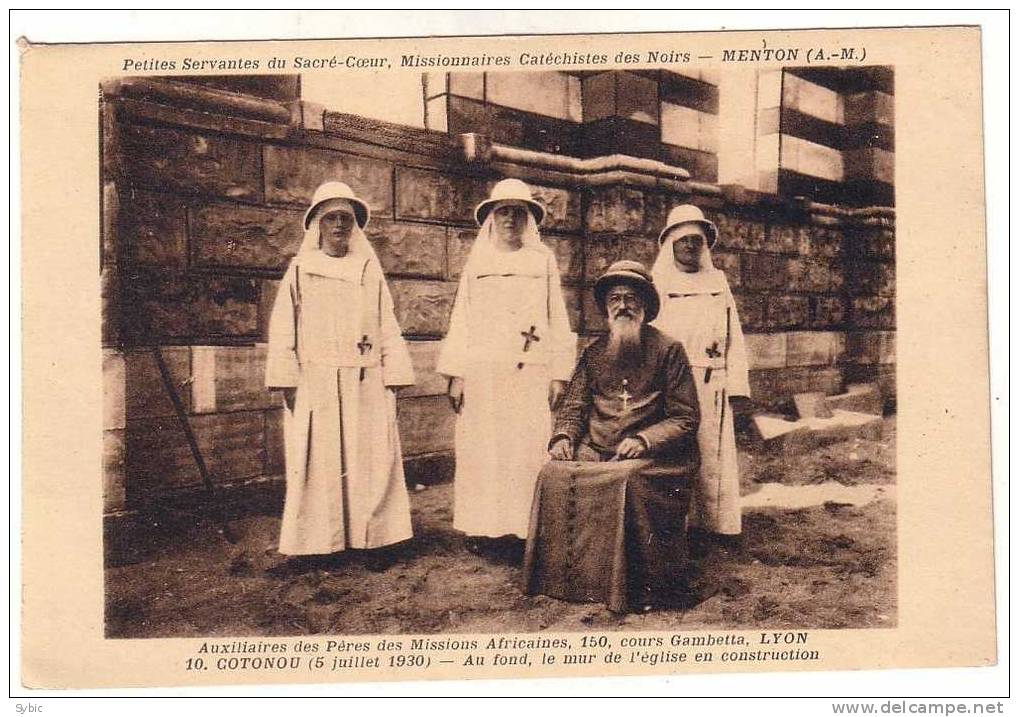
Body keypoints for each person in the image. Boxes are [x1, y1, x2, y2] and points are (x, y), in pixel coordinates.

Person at [523, 260, 701, 613]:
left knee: (626, 478)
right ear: (606, 307)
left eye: (631, 299)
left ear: (645, 307)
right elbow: (574, 406)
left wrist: (645, 439)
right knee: (551, 474)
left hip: (656, 458)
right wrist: (563, 438)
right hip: (597, 448)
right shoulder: (593, 353)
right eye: (615, 299)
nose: (622, 306)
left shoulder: (669, 350)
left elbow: (686, 417)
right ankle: (567, 579)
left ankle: (633, 584)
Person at [264, 181, 416, 558]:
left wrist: (394, 376)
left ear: (355, 225)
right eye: (331, 217)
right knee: (318, 463)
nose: (338, 226)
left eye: (345, 219)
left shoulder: (367, 269)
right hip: (317, 380)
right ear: (316, 223)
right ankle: (319, 544)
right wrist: (287, 379)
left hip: (365, 378)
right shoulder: (300, 271)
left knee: (371, 460)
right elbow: (284, 325)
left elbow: (386, 323)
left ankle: (374, 541)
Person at [436, 178, 576, 549]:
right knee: (483, 450)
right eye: (503, 211)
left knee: (524, 450)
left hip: (529, 372)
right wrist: (457, 374)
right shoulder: (478, 262)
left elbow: (556, 317)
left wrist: (560, 374)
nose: (510, 218)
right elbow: (462, 319)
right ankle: (482, 528)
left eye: (518, 211)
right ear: (492, 218)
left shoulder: (541, 260)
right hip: (483, 375)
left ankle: (523, 529)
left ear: (528, 218)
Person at [650, 205, 751, 541]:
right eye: (683, 240)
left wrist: (738, 387)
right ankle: (674, 527)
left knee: (712, 455)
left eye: (697, 240)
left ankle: (712, 525)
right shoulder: (660, 283)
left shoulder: (717, 282)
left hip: (713, 382)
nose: (690, 246)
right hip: (673, 384)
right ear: (671, 244)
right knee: (676, 454)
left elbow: (733, 334)